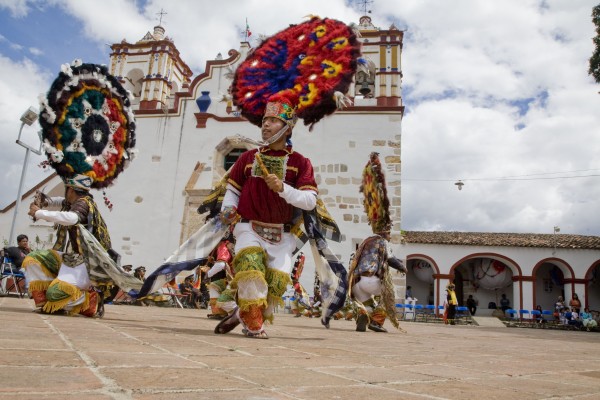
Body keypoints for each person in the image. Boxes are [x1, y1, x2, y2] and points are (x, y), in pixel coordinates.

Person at [214, 99, 318, 339]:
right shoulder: (248, 158)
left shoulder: (300, 163)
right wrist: (228, 207)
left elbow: (310, 201)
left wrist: (283, 188)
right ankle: (253, 325)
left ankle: (243, 312)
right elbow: (233, 190)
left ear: (287, 128)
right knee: (250, 269)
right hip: (248, 227)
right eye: (264, 121)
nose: (265, 125)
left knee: (276, 285)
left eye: (272, 121)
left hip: (283, 235)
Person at [23, 175, 112, 316]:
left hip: (85, 263)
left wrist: (39, 213)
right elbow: (58, 202)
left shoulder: (83, 204)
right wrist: (44, 202)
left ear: (70, 190)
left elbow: (72, 218)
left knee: (55, 294)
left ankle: (89, 301)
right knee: (34, 258)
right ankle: (46, 303)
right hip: (71, 258)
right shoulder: (72, 202)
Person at [349, 232, 407, 332]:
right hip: (370, 279)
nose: (390, 236)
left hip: (356, 282)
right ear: (384, 234)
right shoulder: (381, 241)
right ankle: (377, 322)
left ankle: (363, 315)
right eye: (389, 234)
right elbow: (390, 258)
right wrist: (402, 267)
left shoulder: (365, 241)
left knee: (368, 304)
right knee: (388, 294)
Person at [206, 235, 236, 318]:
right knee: (214, 286)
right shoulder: (225, 245)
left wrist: (208, 274)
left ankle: (239, 314)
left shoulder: (223, 246)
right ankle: (220, 313)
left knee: (224, 300)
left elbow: (221, 265)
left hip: (234, 278)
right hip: (232, 277)